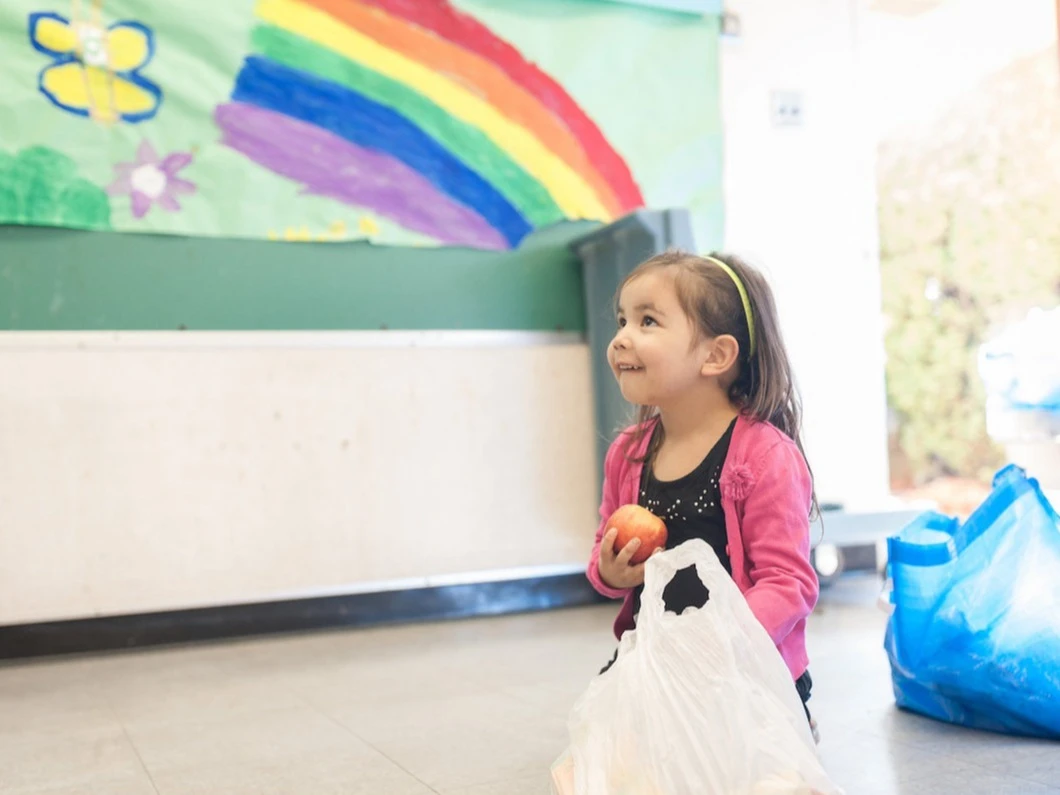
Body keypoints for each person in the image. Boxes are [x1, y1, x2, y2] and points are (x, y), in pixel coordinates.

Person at [586, 250, 821, 739]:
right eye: (622, 320)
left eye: (648, 321)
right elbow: (601, 557)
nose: (621, 338)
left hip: (742, 670)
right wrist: (610, 571)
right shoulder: (627, 454)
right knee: (599, 753)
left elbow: (787, 583)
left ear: (715, 356)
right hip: (656, 663)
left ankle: (797, 725)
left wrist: (717, 645)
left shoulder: (764, 457)